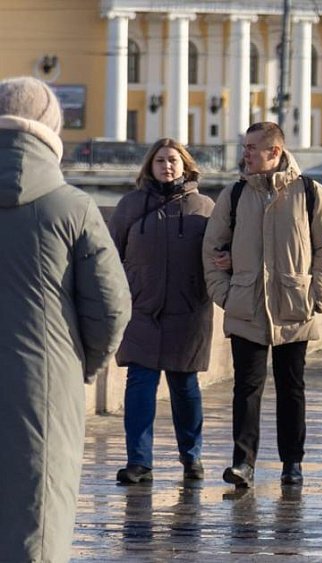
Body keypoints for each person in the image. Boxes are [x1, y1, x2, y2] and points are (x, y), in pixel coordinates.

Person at [0, 76, 131, 561]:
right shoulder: (71, 207)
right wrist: (77, 365)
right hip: (43, 385)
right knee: (37, 518)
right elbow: (112, 307)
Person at [203, 122, 322, 488]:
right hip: (246, 304)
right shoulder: (233, 195)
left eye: (252, 148)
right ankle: (243, 463)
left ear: (274, 152)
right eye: (245, 147)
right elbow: (212, 247)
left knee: (291, 387)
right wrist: (225, 295)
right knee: (246, 388)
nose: (245, 153)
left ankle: (292, 463)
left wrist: (317, 293)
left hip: (294, 303)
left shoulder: (310, 192)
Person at [108, 138, 215, 484]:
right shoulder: (130, 206)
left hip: (188, 311)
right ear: (149, 167)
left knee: (185, 386)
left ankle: (192, 457)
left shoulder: (204, 208)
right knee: (139, 383)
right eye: (160, 161)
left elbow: (221, 253)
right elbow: (110, 254)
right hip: (141, 310)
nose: (167, 166)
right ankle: (139, 461)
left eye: (173, 160)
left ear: (185, 165)